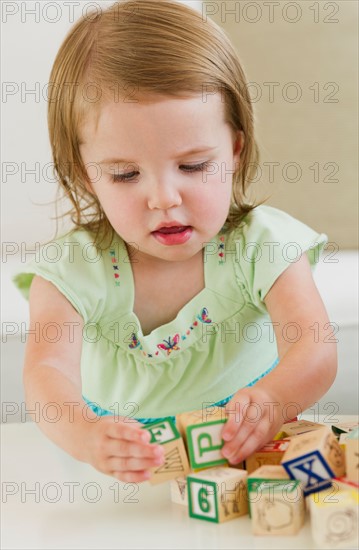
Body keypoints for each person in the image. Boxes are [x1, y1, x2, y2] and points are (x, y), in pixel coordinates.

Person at [13, 0, 337, 483]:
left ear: (234, 149)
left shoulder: (262, 245)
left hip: (245, 450)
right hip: (116, 472)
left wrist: (271, 401)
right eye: (125, 174)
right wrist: (87, 435)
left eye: (193, 166)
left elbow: (315, 348)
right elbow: (46, 377)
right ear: (86, 176)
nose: (164, 198)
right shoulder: (72, 270)